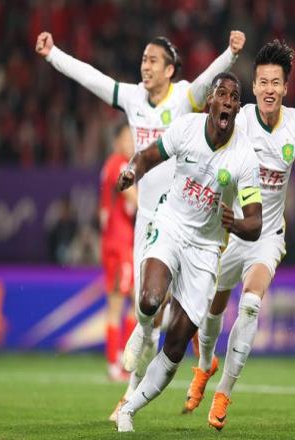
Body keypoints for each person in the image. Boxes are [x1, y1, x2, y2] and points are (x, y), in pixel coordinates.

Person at [35, 29, 245, 418]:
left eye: (152, 61)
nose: (145, 66)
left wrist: (231, 54)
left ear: (169, 69)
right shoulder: (133, 98)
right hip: (149, 217)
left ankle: (138, 388)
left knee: (163, 313)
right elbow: (92, 78)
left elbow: (209, 83)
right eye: (143, 60)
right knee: (146, 305)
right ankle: (140, 369)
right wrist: (53, 55)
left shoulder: (184, 97)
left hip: (186, 216)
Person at [182, 40, 295, 431]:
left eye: (276, 82)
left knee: (250, 306)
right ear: (255, 87)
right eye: (263, 82)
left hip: (267, 236)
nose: (269, 89)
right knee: (212, 309)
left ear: (285, 88)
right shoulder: (239, 119)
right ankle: (205, 364)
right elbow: (205, 142)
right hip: (230, 232)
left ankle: (224, 393)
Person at [115, 73, 262, 432]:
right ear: (210, 101)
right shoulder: (186, 128)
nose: (227, 101)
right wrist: (132, 171)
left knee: (178, 344)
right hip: (171, 224)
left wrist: (234, 223)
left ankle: (128, 409)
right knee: (150, 299)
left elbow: (255, 223)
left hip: (206, 249)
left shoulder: (244, 156)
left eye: (234, 97)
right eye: (221, 94)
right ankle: (144, 330)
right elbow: (148, 156)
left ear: (237, 108)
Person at [99, 123, 138, 381]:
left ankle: (125, 358)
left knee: (136, 301)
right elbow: (135, 199)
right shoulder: (119, 164)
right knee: (116, 303)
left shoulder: (111, 165)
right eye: (127, 138)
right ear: (117, 141)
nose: (131, 143)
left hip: (120, 241)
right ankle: (115, 362)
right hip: (118, 243)